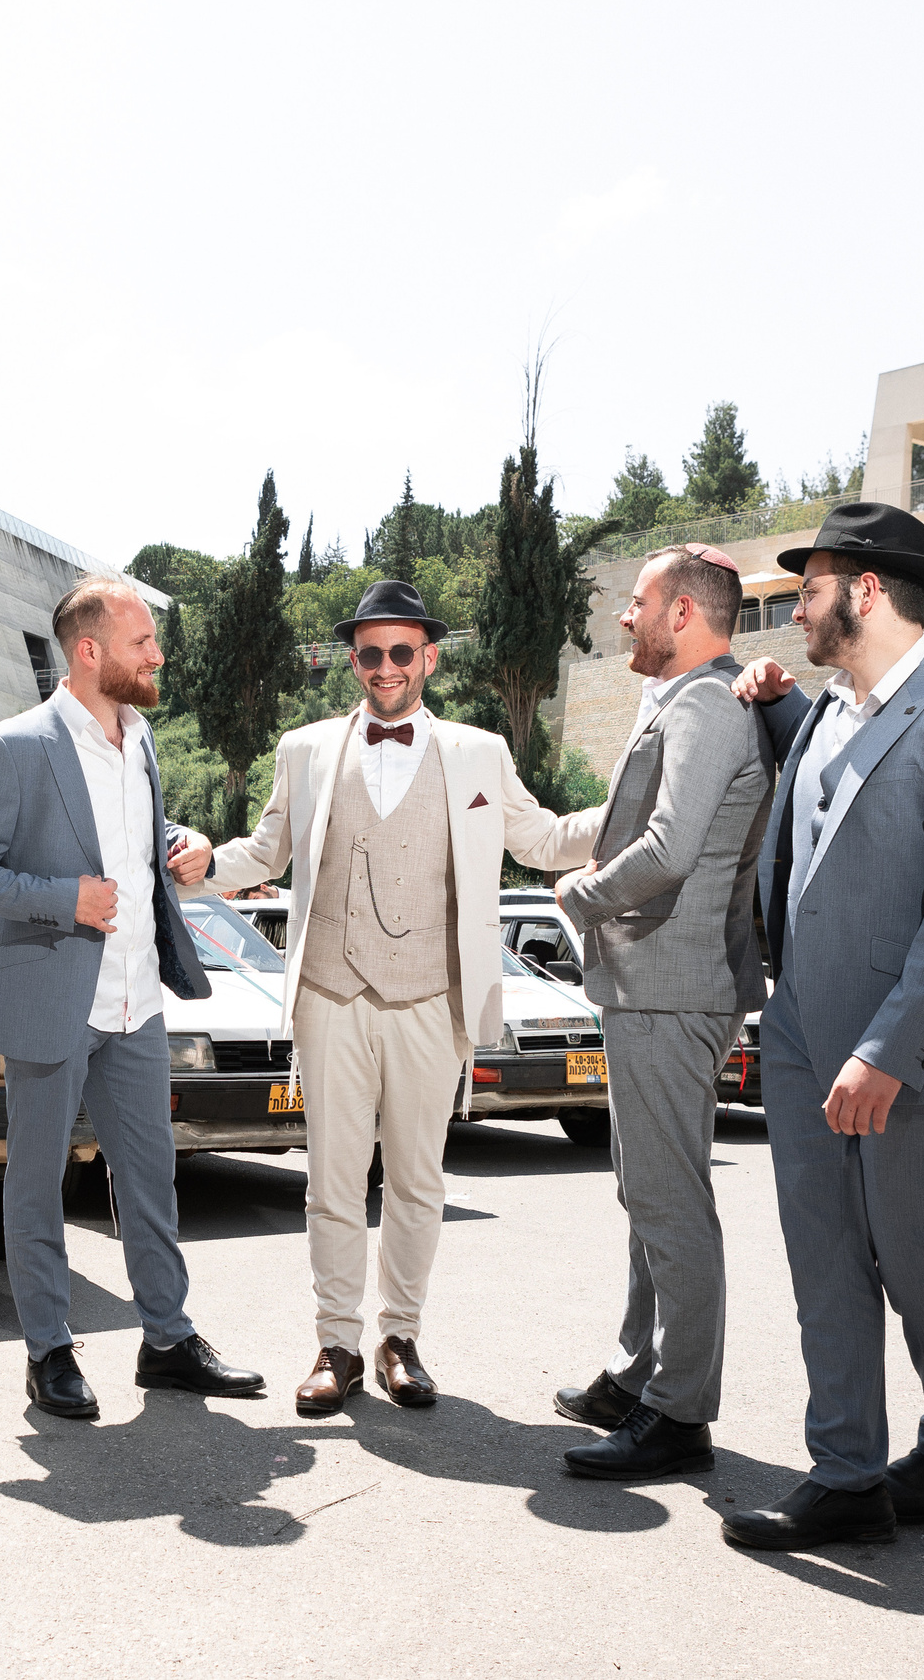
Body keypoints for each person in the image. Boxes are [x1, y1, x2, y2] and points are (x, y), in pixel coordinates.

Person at [193, 580, 591, 1416]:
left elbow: (544, 838)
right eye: (369, 653)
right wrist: (198, 861)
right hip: (331, 994)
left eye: (400, 652)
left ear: (429, 658)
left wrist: (643, 793)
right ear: (353, 659)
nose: (384, 668)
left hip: (431, 998)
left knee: (417, 1180)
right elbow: (265, 851)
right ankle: (335, 1342)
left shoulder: (480, 752)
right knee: (333, 1181)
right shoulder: (303, 750)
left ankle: (399, 1339)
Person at [719, 502, 924, 1551]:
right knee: (823, 1258)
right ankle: (846, 1472)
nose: (791, 610)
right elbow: (823, 833)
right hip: (801, 1033)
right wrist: (766, 699)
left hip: (911, 1051)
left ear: (863, 591)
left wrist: (884, 1052)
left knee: (912, 1254)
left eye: (805, 590)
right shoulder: (819, 712)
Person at [0, 573, 266, 1420]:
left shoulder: (143, 741)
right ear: (89, 652)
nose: (158, 655)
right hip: (52, 995)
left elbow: (131, 843)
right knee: (38, 1183)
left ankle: (167, 1339)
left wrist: (177, 844)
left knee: (151, 1179)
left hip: (136, 1001)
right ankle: (49, 1351)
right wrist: (63, 896)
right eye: (142, 642)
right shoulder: (12, 747)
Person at [544, 543, 773, 1481]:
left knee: (672, 1199)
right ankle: (639, 1374)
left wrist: (581, 896)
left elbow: (671, 846)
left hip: (674, 988)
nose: (623, 619)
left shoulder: (710, 705)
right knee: (646, 1189)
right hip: (651, 986)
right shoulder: (685, 701)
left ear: (684, 613)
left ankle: (678, 1414)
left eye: (636, 603)